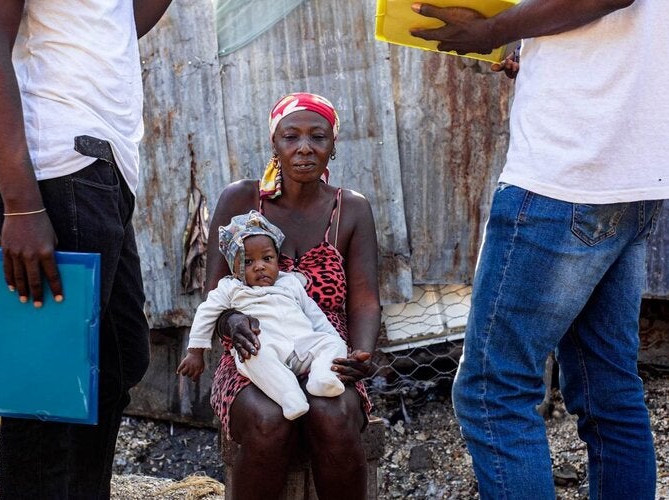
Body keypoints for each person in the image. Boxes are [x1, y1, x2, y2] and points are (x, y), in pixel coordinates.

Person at [410, 1, 668, 498]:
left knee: (493, 391)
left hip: (567, 175)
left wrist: (494, 29)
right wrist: (543, 55)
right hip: (631, 173)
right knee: (609, 390)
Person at [0, 1, 172, 498]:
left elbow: (119, 24)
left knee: (119, 360)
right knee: (47, 385)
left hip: (104, 164)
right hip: (55, 169)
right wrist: (21, 205)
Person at [205, 92, 381, 499]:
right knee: (269, 420)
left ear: (332, 146)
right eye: (291, 137)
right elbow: (214, 292)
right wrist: (231, 321)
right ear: (275, 144)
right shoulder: (241, 200)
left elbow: (365, 299)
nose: (304, 147)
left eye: (317, 137)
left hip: (326, 346)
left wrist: (362, 355)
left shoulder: (351, 210)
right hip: (253, 350)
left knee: (332, 414)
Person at [178, 210, 348, 420]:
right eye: (248, 262)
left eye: (267, 258)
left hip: (303, 345)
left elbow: (315, 316)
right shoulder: (230, 288)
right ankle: (290, 397)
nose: (259, 266)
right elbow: (206, 312)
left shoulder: (290, 282)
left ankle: (322, 377)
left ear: (277, 259)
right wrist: (195, 352)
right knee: (252, 357)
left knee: (333, 343)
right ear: (234, 267)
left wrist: (334, 340)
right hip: (265, 347)